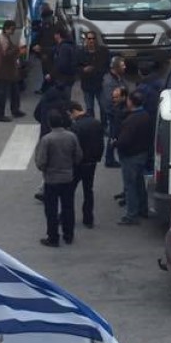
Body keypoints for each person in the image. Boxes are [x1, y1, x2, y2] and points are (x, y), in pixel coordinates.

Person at [36, 110, 83, 248]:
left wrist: (44, 169)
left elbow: (41, 161)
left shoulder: (47, 139)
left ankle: (53, 237)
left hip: (51, 179)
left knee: (51, 210)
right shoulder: (71, 136)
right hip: (68, 178)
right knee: (68, 207)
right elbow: (78, 155)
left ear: (50, 124)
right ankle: (69, 235)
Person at [116, 90, 153, 224]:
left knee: (130, 185)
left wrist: (116, 143)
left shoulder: (131, 120)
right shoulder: (145, 116)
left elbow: (124, 141)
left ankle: (131, 215)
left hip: (130, 156)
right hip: (141, 153)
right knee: (139, 183)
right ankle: (143, 209)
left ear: (130, 102)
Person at [68, 100, 103, 229]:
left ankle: (66, 216)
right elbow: (100, 143)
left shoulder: (76, 127)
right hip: (92, 162)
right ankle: (88, 218)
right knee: (88, 190)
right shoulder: (96, 123)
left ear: (73, 112)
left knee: (70, 190)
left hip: (79, 163)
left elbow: (74, 147)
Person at [0, 20, 24, 123]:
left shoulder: (4, 38)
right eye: (12, 29)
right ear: (6, 29)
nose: (13, 31)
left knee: (15, 90)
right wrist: (18, 49)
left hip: (8, 69)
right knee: (3, 93)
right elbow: (6, 54)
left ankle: (15, 110)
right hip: (4, 69)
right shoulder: (2, 39)